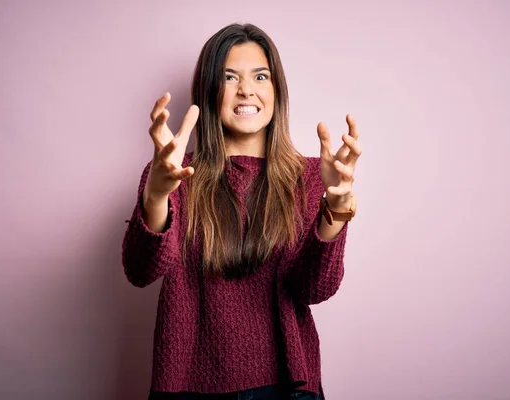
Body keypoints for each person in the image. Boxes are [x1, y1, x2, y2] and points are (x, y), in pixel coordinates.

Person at [122, 23, 361, 400]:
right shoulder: (174, 175)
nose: (246, 89)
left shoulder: (313, 175)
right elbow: (139, 271)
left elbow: (314, 289)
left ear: (276, 90)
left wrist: (335, 209)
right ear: (208, 91)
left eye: (260, 76)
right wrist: (156, 195)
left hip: (287, 387)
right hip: (187, 386)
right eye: (229, 77)